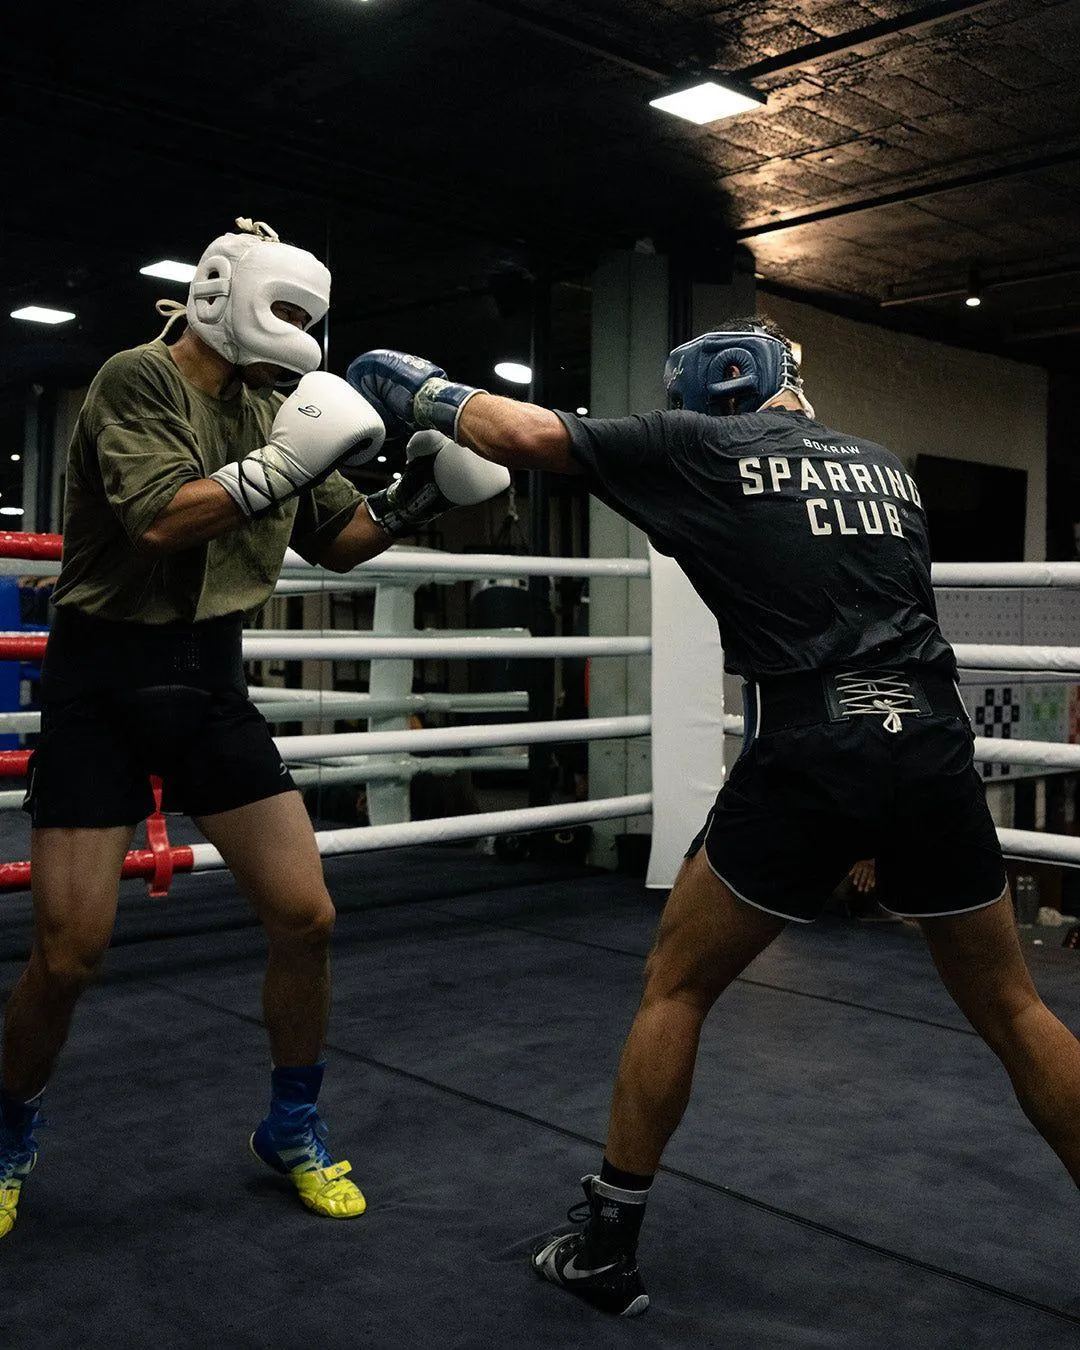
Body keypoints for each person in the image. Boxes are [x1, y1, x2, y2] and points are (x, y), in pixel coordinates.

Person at [347, 324, 1080, 1316]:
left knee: (677, 986)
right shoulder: (885, 469)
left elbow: (521, 435)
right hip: (932, 741)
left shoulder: (704, 446)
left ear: (715, 393)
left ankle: (607, 1249)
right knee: (1016, 1010)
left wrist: (420, 391)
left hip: (813, 747)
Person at [0, 218, 509, 1242]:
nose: (299, 333)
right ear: (222, 295)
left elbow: (341, 544)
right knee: (69, 954)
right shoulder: (135, 380)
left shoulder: (283, 408)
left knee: (306, 917)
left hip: (211, 680)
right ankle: (8, 1135)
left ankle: (291, 1127)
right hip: (104, 681)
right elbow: (157, 520)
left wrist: (416, 497)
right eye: (285, 310)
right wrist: (284, 463)